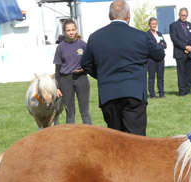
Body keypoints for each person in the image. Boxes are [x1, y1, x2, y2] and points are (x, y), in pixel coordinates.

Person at [80, 0, 164, 135]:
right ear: (128, 15)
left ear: (109, 15)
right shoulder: (140, 36)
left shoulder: (95, 37)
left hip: (109, 94)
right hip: (134, 93)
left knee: (115, 140)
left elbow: (85, 63)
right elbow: (159, 55)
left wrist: (102, 75)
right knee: (136, 141)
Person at [53, 19, 92, 125]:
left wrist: (84, 69)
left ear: (76, 30)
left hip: (82, 79)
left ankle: (89, 136)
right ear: (64, 32)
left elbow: (92, 63)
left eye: (73, 30)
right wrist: (57, 87)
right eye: (68, 30)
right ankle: (70, 138)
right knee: (70, 113)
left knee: (85, 111)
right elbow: (57, 69)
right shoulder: (60, 47)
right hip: (66, 80)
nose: (71, 32)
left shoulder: (83, 45)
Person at [169, 7, 191, 96]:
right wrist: (185, 47)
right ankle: (182, 91)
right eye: (182, 15)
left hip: (190, 53)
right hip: (180, 53)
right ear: (179, 15)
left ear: (187, 15)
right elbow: (174, 39)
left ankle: (188, 90)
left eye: (185, 15)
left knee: (189, 73)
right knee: (181, 73)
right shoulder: (174, 25)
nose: (183, 17)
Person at [146, 17, 167, 99]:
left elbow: (165, 45)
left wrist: (157, 46)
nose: (154, 25)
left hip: (160, 58)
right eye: (152, 24)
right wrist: (159, 45)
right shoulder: (147, 34)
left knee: (160, 77)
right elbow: (149, 46)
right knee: (151, 77)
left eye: (155, 24)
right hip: (151, 59)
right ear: (149, 24)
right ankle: (152, 95)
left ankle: (161, 93)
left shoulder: (160, 34)